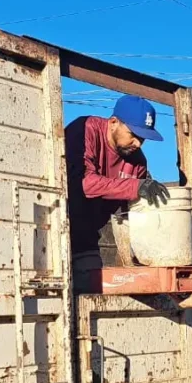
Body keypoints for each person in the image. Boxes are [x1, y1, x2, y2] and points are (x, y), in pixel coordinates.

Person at [65, 95, 171, 285]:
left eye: (143, 138)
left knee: (90, 288)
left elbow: (132, 213)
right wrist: (136, 187)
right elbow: (84, 184)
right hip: (56, 227)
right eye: (134, 134)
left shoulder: (138, 162)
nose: (138, 144)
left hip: (86, 237)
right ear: (113, 122)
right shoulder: (85, 131)